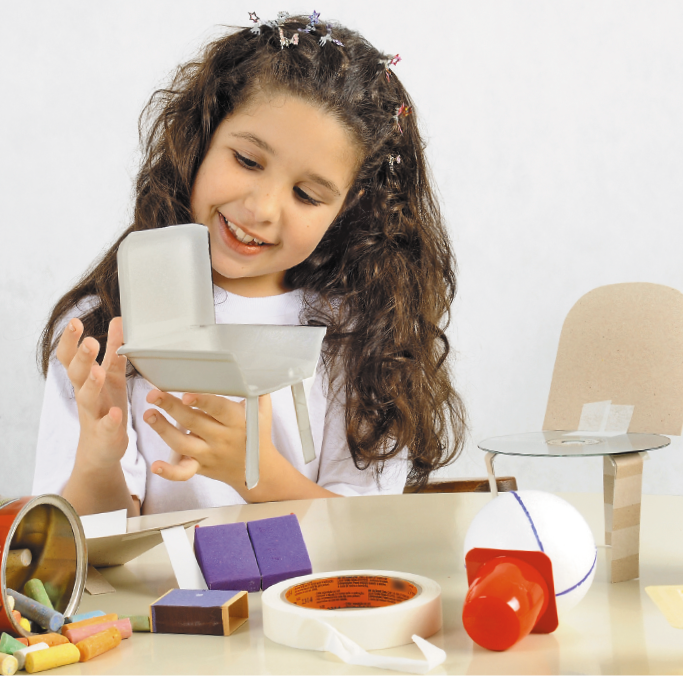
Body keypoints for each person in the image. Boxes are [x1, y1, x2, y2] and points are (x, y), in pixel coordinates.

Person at [32, 12, 466, 516]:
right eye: (247, 161)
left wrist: (255, 474)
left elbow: (368, 532)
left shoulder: (362, 336)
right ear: (201, 137)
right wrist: (98, 457)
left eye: (305, 194)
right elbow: (86, 544)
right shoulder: (102, 326)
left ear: (349, 206)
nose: (260, 209)